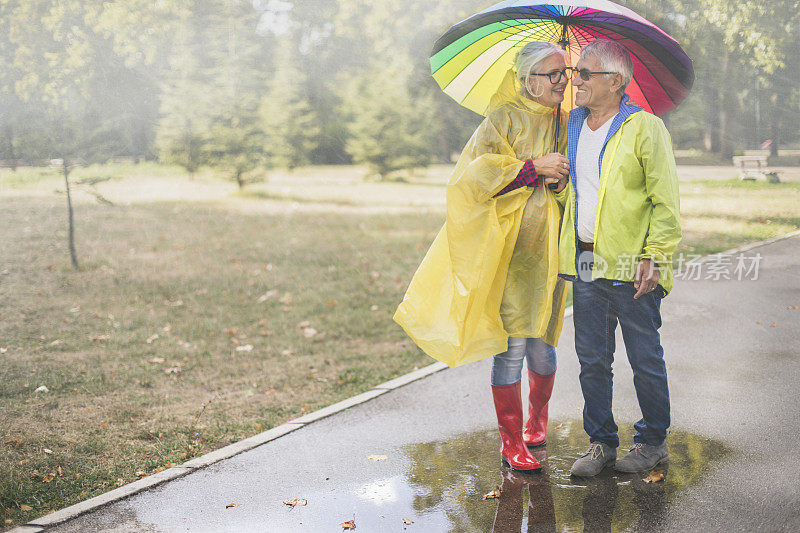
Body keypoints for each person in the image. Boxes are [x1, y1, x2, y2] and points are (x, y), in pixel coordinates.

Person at [394, 41, 571, 472]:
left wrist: (559, 179)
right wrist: (531, 168)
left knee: (544, 345)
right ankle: (511, 442)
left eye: (565, 72)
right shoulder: (502, 118)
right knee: (511, 345)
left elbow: (575, 181)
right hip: (508, 254)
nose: (562, 81)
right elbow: (472, 179)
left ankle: (537, 421)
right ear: (527, 80)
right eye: (553, 74)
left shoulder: (568, 122)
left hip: (549, 253)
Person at [552, 39, 682, 477]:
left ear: (616, 82)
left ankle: (652, 442)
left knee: (644, 357)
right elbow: (578, 189)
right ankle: (601, 442)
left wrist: (656, 256)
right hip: (585, 262)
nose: (576, 81)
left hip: (632, 264)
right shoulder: (572, 125)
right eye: (575, 73)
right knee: (592, 358)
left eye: (585, 74)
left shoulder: (645, 128)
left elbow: (664, 200)